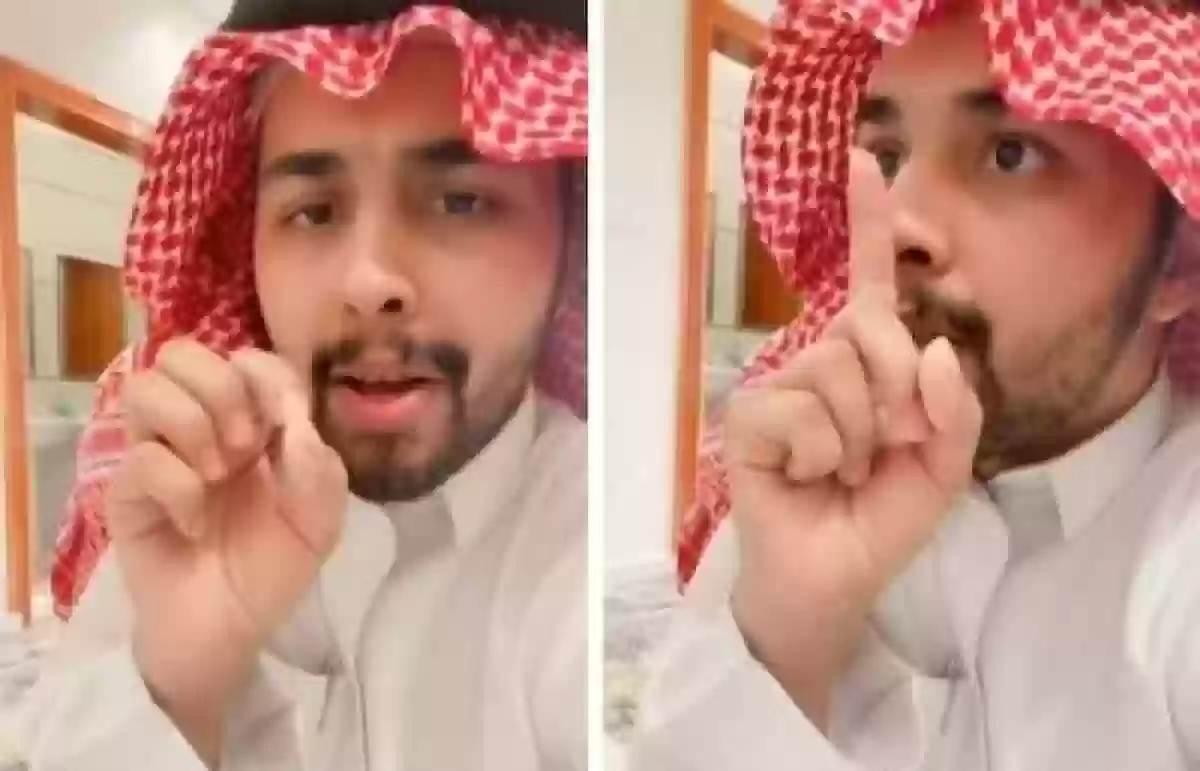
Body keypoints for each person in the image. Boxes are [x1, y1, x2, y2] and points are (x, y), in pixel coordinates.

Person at [632, 1, 1200, 768]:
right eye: (889, 155)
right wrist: (790, 621)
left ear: (1179, 262)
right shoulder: (812, 479)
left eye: (1010, 154)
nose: (898, 223)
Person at [20, 1, 587, 770]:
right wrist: (179, 682)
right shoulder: (189, 504)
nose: (369, 283)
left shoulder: (580, 542)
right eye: (314, 213)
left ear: (569, 245)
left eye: (462, 201)